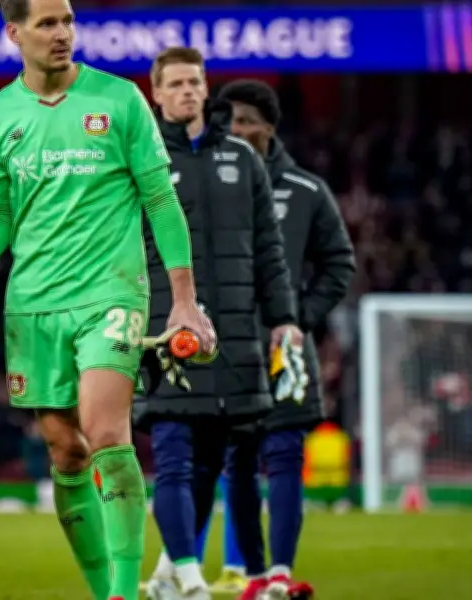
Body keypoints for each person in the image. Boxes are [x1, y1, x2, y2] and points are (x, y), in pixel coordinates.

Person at [0, 2, 215, 600]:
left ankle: (125, 593)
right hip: (34, 304)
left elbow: (159, 201)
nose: (62, 33)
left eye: (67, 20)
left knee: (105, 433)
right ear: (14, 32)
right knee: (65, 451)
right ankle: (104, 590)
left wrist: (184, 302)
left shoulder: (120, 99)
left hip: (111, 294)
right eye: (47, 22)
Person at [133, 48, 306, 600]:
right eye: (175, 84)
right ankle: (189, 579)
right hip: (166, 335)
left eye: (194, 82)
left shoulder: (243, 159)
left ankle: (166, 575)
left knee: (211, 464)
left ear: (206, 89)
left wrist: (282, 320)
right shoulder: (140, 162)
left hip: (233, 337)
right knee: (175, 456)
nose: (186, 91)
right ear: (156, 95)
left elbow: (269, 250)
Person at [194, 79, 356, 600]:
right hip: (226, 349)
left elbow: (338, 263)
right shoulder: (205, 185)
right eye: (229, 121)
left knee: (285, 454)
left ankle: (281, 572)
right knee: (235, 460)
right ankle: (256, 574)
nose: (236, 130)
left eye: (246, 121)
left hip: (285, 350)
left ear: (269, 127)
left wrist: (299, 318)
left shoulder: (306, 191)